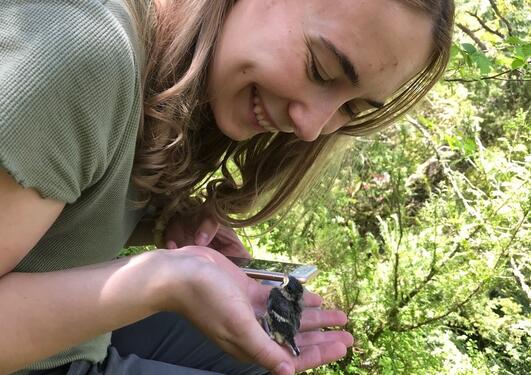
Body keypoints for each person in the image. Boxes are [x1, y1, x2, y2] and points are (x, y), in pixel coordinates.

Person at [0, 0, 454, 374]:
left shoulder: (183, 81)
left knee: (259, 353)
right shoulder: (86, 50)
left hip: (74, 331)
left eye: (351, 107)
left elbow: (62, 224)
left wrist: (163, 225)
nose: (313, 127)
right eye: (319, 68)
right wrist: (163, 280)